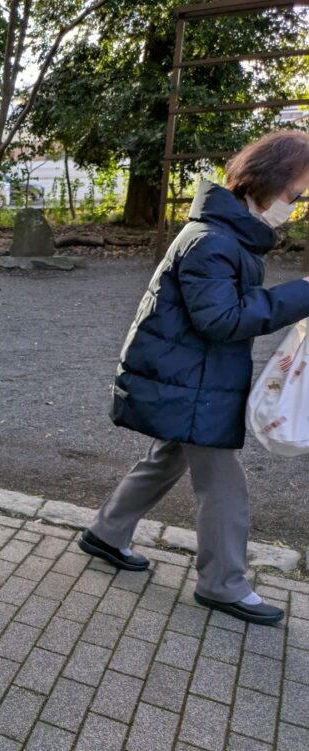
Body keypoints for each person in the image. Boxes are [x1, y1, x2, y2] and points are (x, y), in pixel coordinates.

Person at [79, 130, 309, 626]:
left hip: (190, 377)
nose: (295, 206)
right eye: (294, 195)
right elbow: (222, 320)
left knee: (166, 459)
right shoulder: (214, 241)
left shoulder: (224, 233)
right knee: (224, 484)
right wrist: (302, 294)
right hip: (192, 382)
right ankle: (221, 584)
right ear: (266, 182)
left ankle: (106, 532)